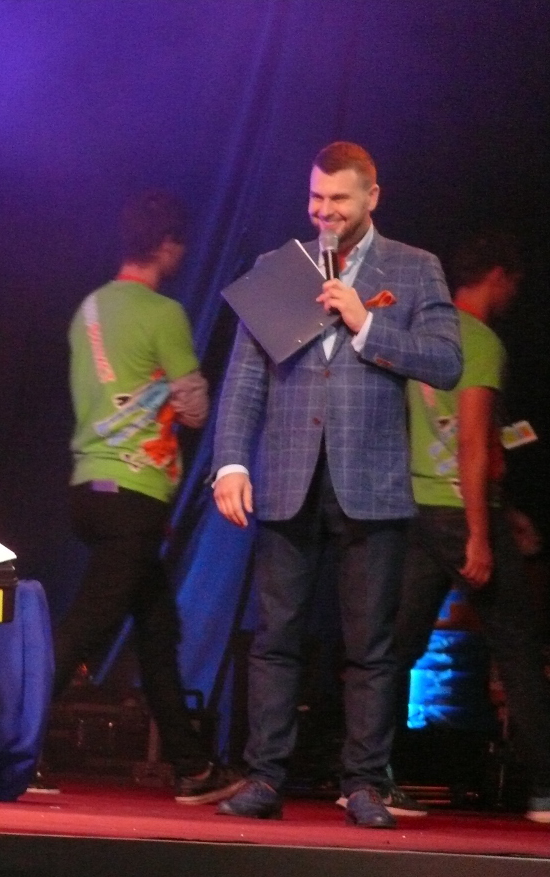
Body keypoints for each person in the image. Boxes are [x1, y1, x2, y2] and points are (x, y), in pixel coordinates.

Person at [212, 142, 462, 827]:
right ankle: (265, 777)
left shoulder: (412, 268)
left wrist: (366, 323)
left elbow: (447, 362)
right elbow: (245, 378)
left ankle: (365, 785)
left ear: (372, 197)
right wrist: (231, 463)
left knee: (371, 646)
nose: (324, 211)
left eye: (339, 200)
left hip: (371, 482)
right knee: (275, 638)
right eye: (316, 198)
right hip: (288, 477)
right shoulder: (278, 267)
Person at [56, 189, 242, 805]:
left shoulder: (87, 309)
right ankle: (5, 739)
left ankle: (191, 766)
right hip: (133, 493)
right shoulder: (163, 314)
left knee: (158, 630)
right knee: (84, 629)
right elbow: (195, 410)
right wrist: (175, 390)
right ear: (166, 245)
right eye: (180, 244)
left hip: (90, 487)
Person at [395, 229, 550, 824]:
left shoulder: (420, 330)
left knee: (395, 649)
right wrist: (484, 533)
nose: (513, 295)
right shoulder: (480, 340)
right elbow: (474, 444)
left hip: (416, 508)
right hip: (462, 510)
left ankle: (368, 774)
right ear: (498, 276)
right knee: (518, 649)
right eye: (513, 284)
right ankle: (545, 789)